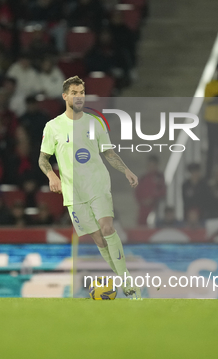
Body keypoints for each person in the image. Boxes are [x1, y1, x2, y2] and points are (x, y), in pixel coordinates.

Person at [38, 76, 141, 299]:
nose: (79, 96)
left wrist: (126, 171)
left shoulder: (95, 123)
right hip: (73, 192)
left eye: (82, 92)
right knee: (98, 239)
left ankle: (128, 283)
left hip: (97, 183)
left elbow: (109, 153)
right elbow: (43, 159)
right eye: (74, 92)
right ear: (65, 96)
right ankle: (125, 282)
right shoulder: (53, 127)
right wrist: (51, 176)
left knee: (106, 228)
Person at [134, 155, 166, 226]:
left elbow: (162, 191)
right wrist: (143, 201)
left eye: (153, 165)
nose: (151, 167)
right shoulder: (143, 178)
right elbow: (137, 192)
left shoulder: (160, 177)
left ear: (157, 165)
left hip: (155, 208)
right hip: (143, 209)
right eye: (150, 165)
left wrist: (152, 199)